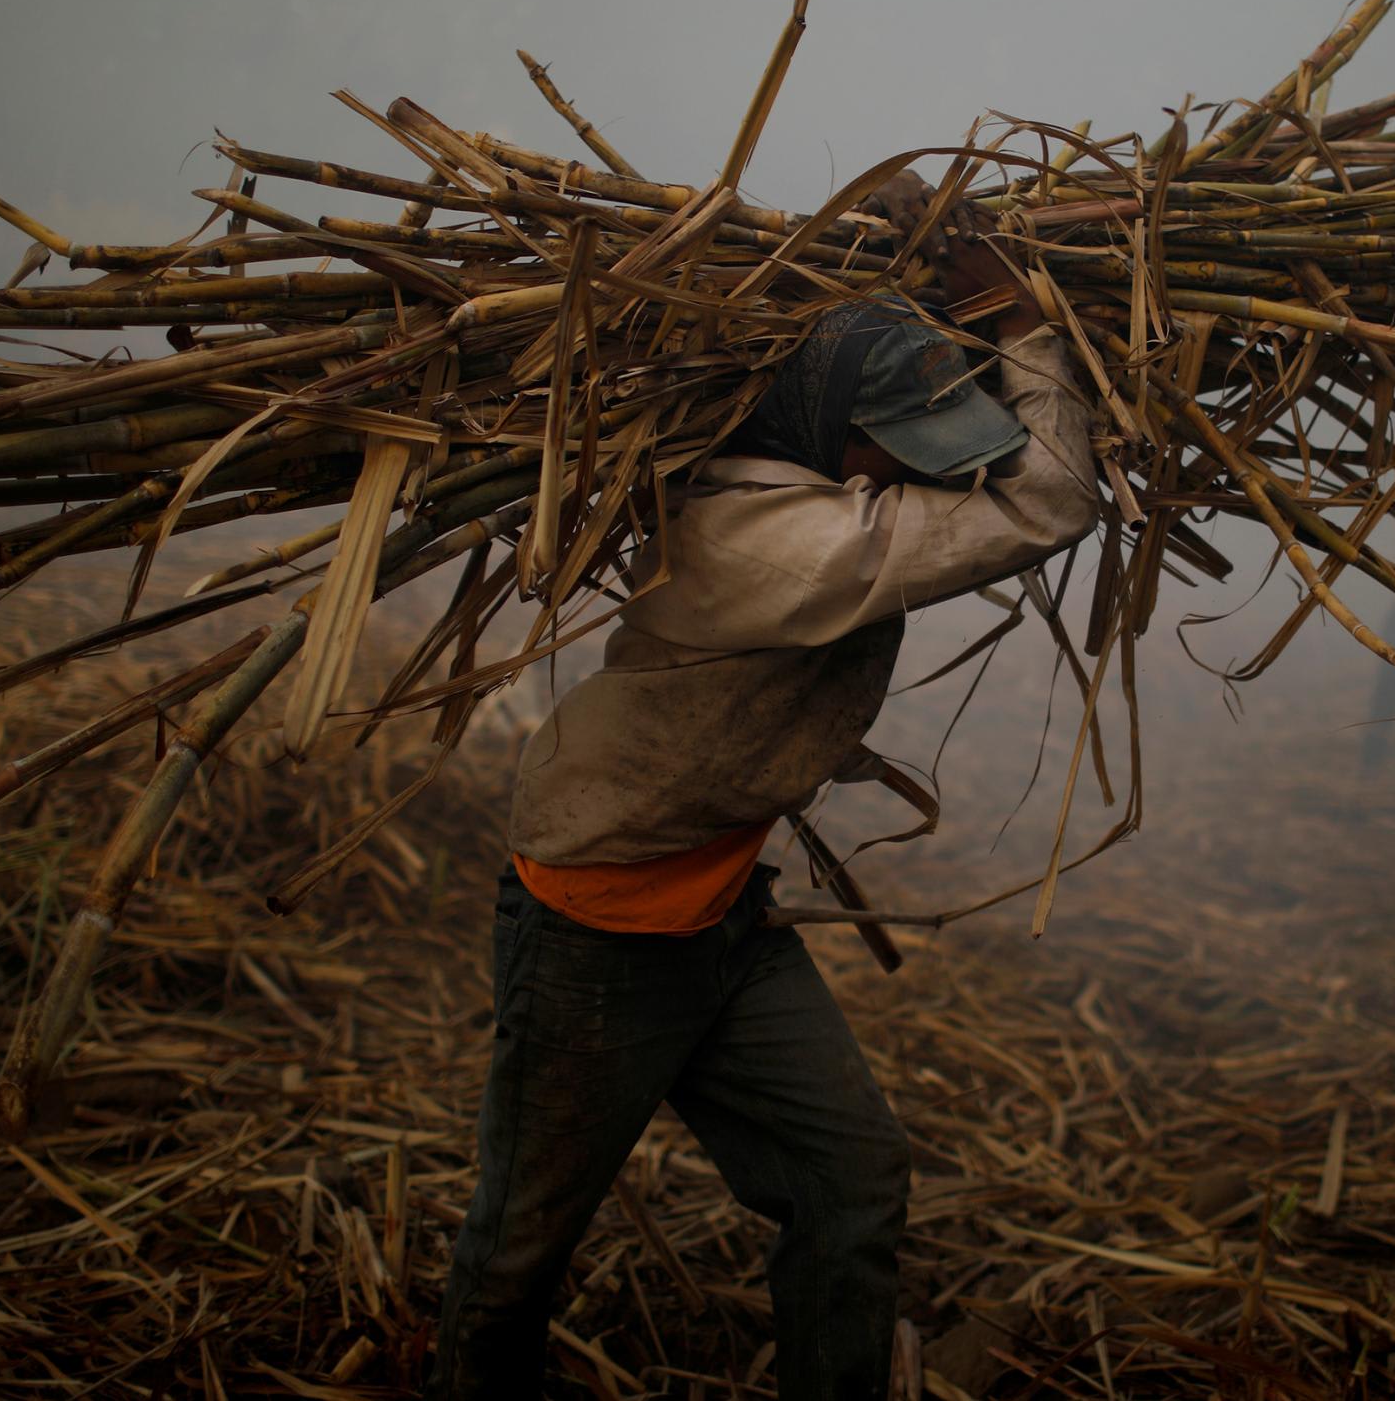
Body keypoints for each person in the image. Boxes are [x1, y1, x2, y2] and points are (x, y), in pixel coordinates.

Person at [428, 173, 1099, 1399]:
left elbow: (945, 446)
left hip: (721, 911)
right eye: (879, 444)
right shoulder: (772, 545)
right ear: (808, 423)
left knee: (852, 1180)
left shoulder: (803, 477)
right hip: (598, 927)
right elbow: (1050, 498)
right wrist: (1024, 327)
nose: (903, 469)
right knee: (519, 1248)